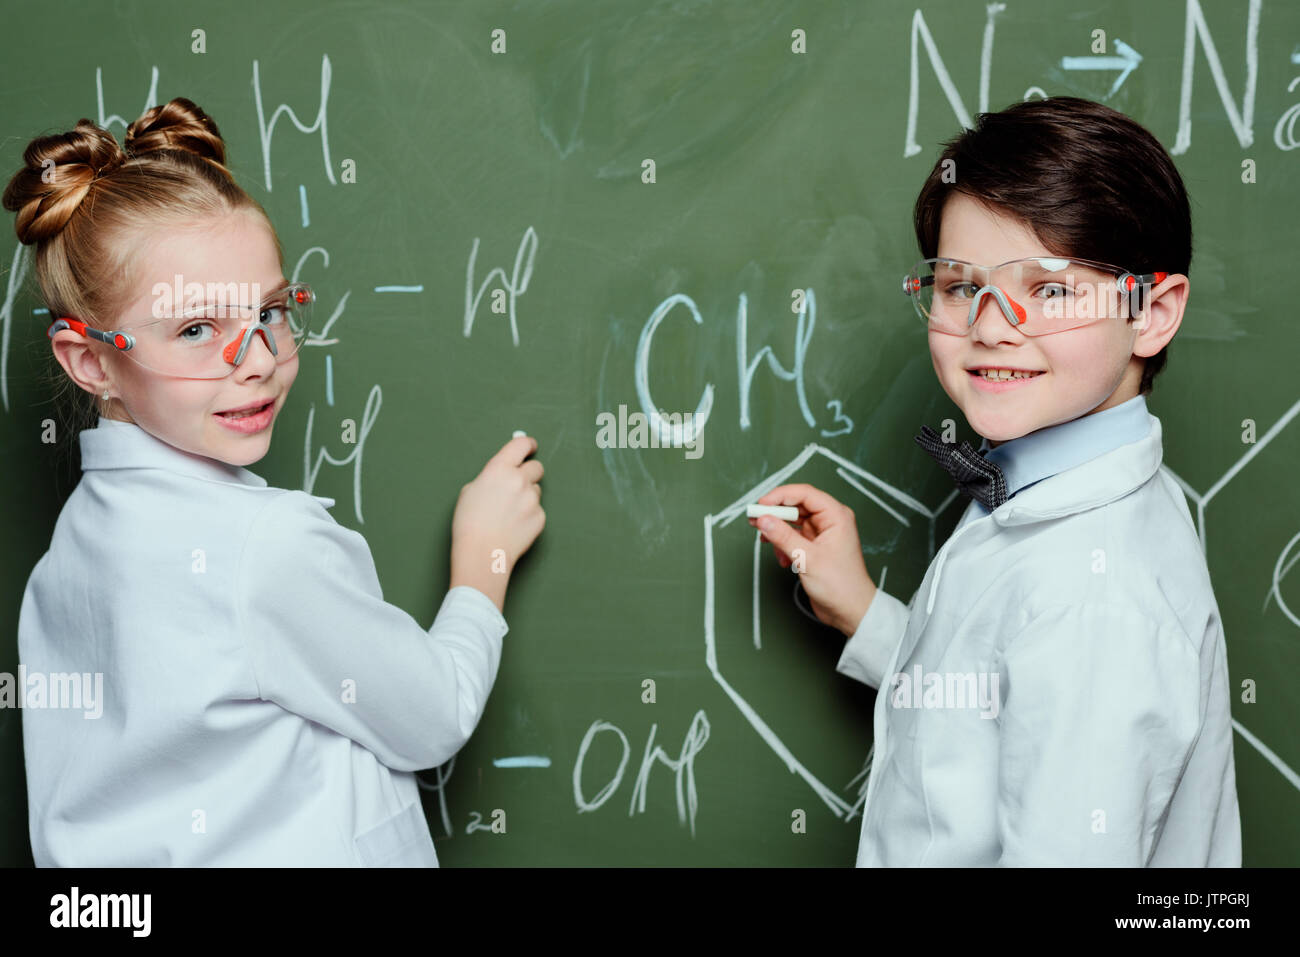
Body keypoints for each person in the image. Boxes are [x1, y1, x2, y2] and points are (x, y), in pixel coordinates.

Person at [5, 97, 545, 866]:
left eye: (270, 310)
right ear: (91, 361)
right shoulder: (263, 550)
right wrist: (483, 558)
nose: (256, 357)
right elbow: (432, 716)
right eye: (197, 329)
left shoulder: (66, 559)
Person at [749, 96, 1240, 866]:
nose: (989, 323)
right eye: (957, 285)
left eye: (1049, 289)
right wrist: (867, 614)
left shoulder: (1095, 596)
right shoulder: (1067, 487)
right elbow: (1005, 703)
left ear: (1151, 312)